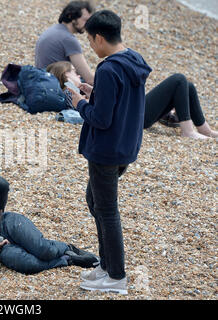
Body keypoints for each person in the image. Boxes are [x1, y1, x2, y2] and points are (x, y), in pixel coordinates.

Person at [68, 10, 152, 294]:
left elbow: (100, 119)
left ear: (100, 38)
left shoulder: (108, 68)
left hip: (105, 151)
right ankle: (106, 264)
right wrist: (96, 92)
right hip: (125, 146)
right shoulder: (134, 60)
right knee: (95, 201)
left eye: (91, 41)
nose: (91, 46)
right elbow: (121, 101)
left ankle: (116, 276)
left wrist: (79, 102)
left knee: (106, 209)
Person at [35, 1, 95, 85]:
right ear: (71, 17)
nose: (88, 24)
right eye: (85, 20)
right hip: (58, 88)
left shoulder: (52, 30)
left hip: (42, 83)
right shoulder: (68, 39)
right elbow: (89, 79)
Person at [144, 73, 217, 139]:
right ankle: (188, 131)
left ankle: (206, 131)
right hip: (135, 116)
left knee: (189, 87)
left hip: (137, 108)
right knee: (179, 80)